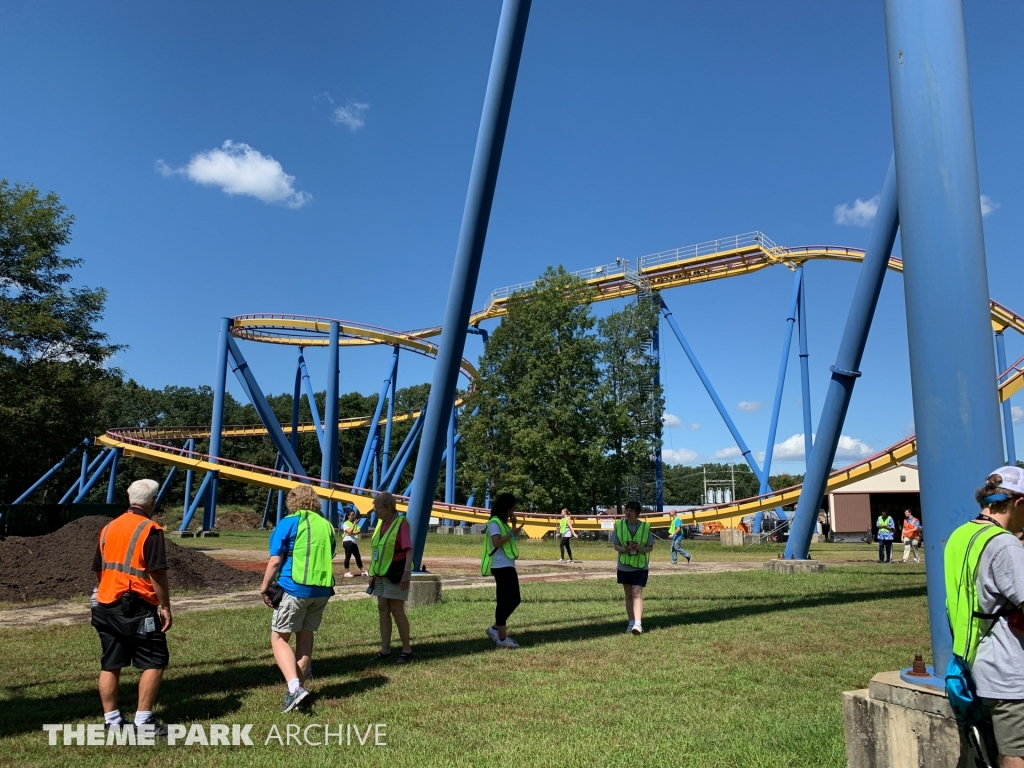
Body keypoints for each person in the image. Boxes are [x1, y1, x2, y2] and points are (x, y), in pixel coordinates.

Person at [945, 466, 1024, 767]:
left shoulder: (961, 535)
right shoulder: (1004, 543)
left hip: (976, 661)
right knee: (1016, 753)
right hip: (1010, 670)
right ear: (1019, 503)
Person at [90, 478, 172, 736]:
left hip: (105, 604)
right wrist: (165, 606)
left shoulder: (109, 528)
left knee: (111, 662)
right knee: (156, 659)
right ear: (153, 501)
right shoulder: (150, 529)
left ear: (129, 498)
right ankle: (143, 720)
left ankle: (112, 721)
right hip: (136, 606)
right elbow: (157, 573)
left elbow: (99, 569)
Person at [260, 484, 336, 712]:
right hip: (321, 591)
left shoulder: (289, 522)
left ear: (292, 502)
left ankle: (294, 688)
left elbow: (275, 560)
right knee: (305, 638)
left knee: (279, 639)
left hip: (294, 587)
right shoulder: (327, 525)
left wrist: (264, 588)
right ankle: (297, 695)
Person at [368, 491, 414, 663]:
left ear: (388, 507)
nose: (375, 511)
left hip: (396, 573)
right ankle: (385, 649)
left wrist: (406, 573)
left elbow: (408, 549)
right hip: (380, 574)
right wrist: (373, 573)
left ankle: (407, 650)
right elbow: (377, 550)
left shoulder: (401, 523)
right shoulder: (381, 524)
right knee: (382, 608)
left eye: (378, 508)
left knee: (397, 610)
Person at [482, 493, 523, 648]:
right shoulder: (494, 522)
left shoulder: (503, 524)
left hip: (508, 565)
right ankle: (502, 638)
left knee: (515, 599)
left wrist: (513, 527)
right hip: (500, 566)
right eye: (511, 509)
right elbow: (497, 542)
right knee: (503, 601)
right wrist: (512, 533)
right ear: (505, 508)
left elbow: (509, 541)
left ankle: (494, 628)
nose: (512, 512)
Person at [611, 500, 655, 635]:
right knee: (629, 595)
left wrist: (640, 549)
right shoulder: (619, 525)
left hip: (640, 566)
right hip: (624, 566)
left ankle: (638, 624)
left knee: (637, 594)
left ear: (637, 513)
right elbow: (615, 546)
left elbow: (650, 547)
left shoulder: (645, 527)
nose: (628, 513)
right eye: (627, 510)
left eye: (631, 511)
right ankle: (631, 623)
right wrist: (625, 549)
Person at [342, 507, 369, 578]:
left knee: (358, 556)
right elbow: (349, 531)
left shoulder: (355, 523)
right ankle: (346, 572)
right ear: (348, 516)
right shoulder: (345, 523)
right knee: (348, 556)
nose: (353, 516)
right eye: (351, 515)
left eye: (353, 515)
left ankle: (363, 571)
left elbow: (359, 531)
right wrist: (353, 526)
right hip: (347, 541)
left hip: (353, 542)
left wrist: (352, 532)